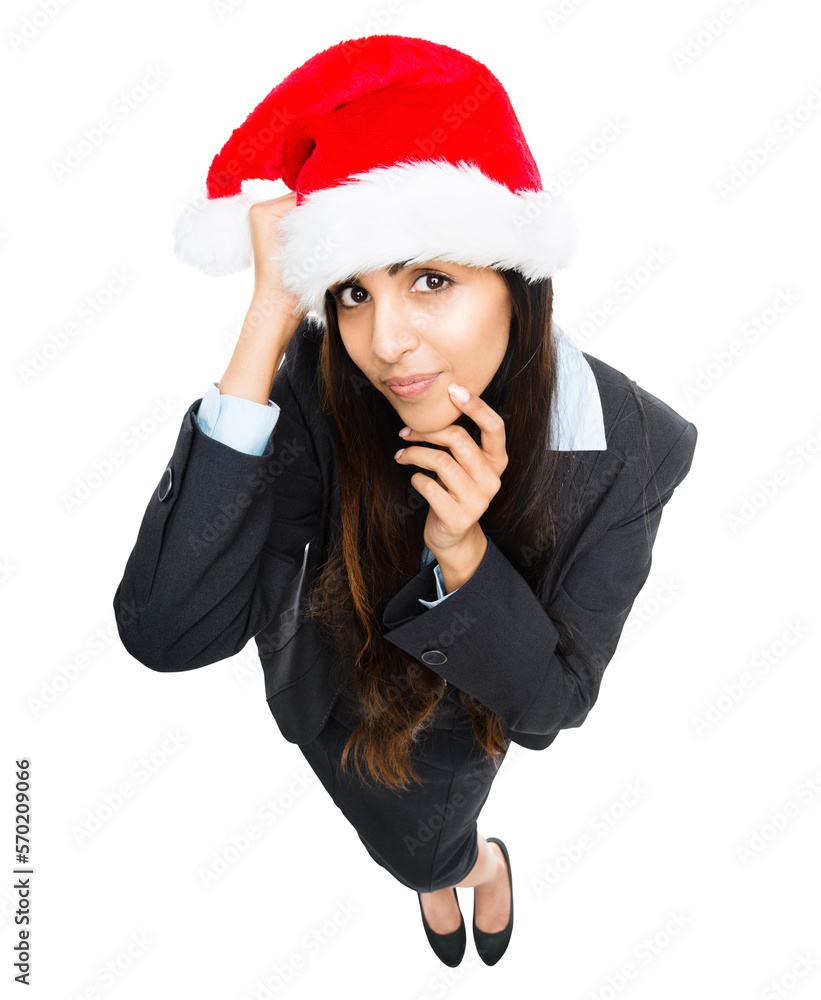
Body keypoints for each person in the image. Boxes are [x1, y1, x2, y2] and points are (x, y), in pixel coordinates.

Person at [113, 35, 698, 968]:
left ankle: (469, 863)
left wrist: (464, 553)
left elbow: (550, 708)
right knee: (389, 837)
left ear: (515, 280)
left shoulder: (631, 447)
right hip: (317, 704)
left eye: (431, 279)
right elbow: (168, 633)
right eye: (350, 291)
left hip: (450, 748)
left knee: (423, 842)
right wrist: (271, 314)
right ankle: (439, 868)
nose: (384, 341)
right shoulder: (313, 376)